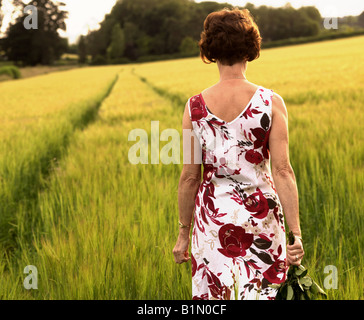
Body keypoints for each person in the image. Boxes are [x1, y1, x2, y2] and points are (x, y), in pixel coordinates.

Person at [173, 8, 304, 300]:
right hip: (263, 220)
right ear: (250, 48)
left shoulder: (194, 107)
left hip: (213, 222)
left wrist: (183, 233)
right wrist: (295, 233)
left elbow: (189, 178)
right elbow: (283, 171)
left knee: (214, 299)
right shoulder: (271, 102)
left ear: (210, 50)